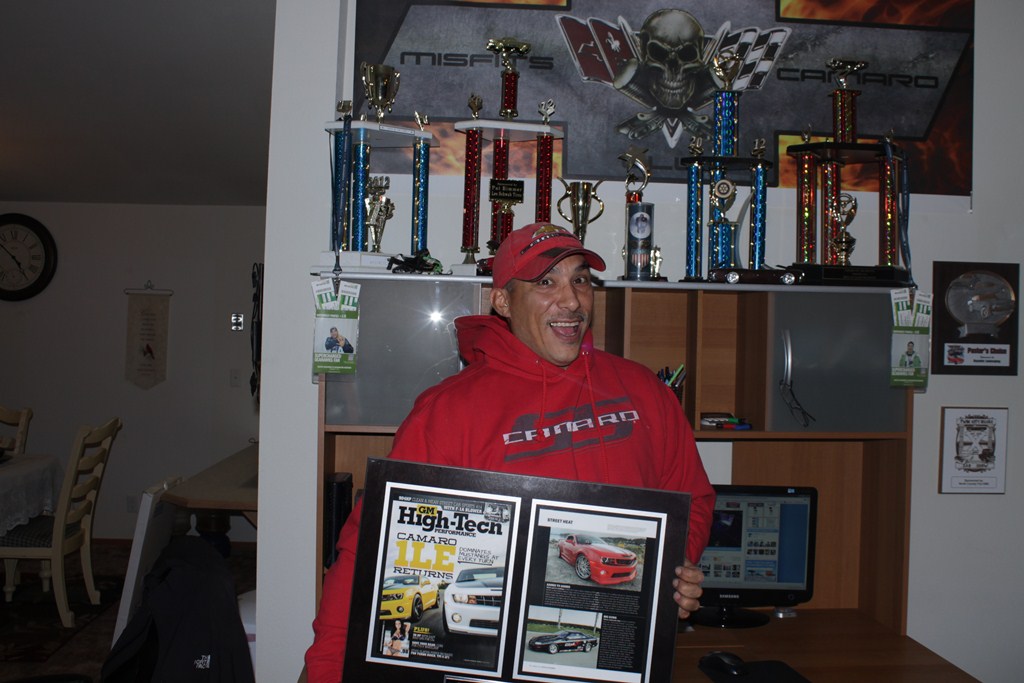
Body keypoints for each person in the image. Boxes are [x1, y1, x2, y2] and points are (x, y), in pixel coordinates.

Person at [304, 223, 715, 682]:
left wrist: (673, 569)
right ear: (502, 301)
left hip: (618, 658)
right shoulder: (447, 411)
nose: (571, 301)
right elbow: (370, 550)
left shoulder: (645, 392)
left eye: (580, 279)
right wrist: (325, 670)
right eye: (546, 282)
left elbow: (693, 498)